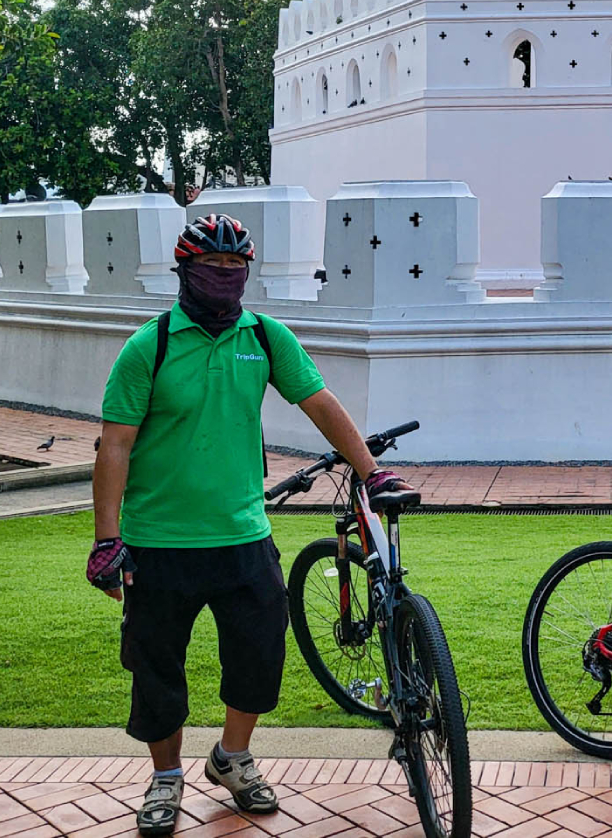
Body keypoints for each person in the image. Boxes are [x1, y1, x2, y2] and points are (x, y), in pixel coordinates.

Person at [88, 214, 409, 835]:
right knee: (157, 670)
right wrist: (107, 540)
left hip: (243, 535)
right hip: (159, 542)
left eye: (236, 272)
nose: (225, 281)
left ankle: (231, 759)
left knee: (259, 657)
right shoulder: (147, 346)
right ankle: (166, 778)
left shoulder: (263, 337)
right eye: (212, 270)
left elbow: (319, 401)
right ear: (185, 272)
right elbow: (116, 446)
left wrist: (370, 474)